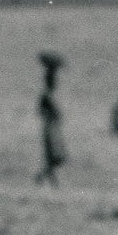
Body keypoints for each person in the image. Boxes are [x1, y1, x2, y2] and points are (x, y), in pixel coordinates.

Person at [34, 51, 68, 188]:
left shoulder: (47, 95)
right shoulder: (47, 96)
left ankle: (47, 179)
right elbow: (43, 111)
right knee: (54, 154)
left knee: (54, 155)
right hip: (50, 126)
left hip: (51, 125)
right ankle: (48, 180)